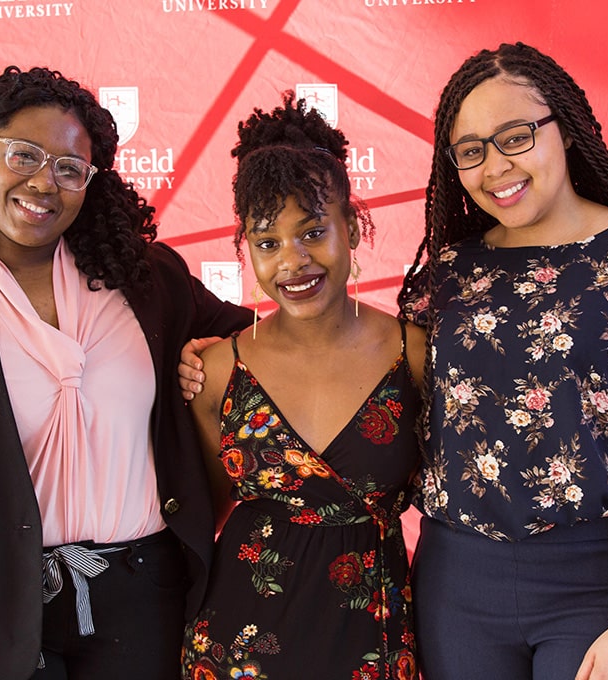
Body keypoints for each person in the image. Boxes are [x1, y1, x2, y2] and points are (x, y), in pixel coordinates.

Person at [0, 65, 251, 680]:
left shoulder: (146, 281)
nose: (46, 182)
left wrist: (207, 359)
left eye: (70, 168)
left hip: (149, 604)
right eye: (24, 154)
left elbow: (259, 338)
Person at [396, 42, 608, 680]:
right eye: (470, 151)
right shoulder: (447, 276)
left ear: (566, 130)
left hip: (606, 588)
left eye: (515, 136)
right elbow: (377, 398)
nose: (495, 166)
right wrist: (213, 348)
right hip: (457, 591)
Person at [177, 93, 425, 680]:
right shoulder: (217, 372)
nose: (293, 261)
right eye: (267, 243)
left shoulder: (413, 353)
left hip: (374, 639)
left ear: (353, 230)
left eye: (313, 232)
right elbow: (205, 517)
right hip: (238, 646)